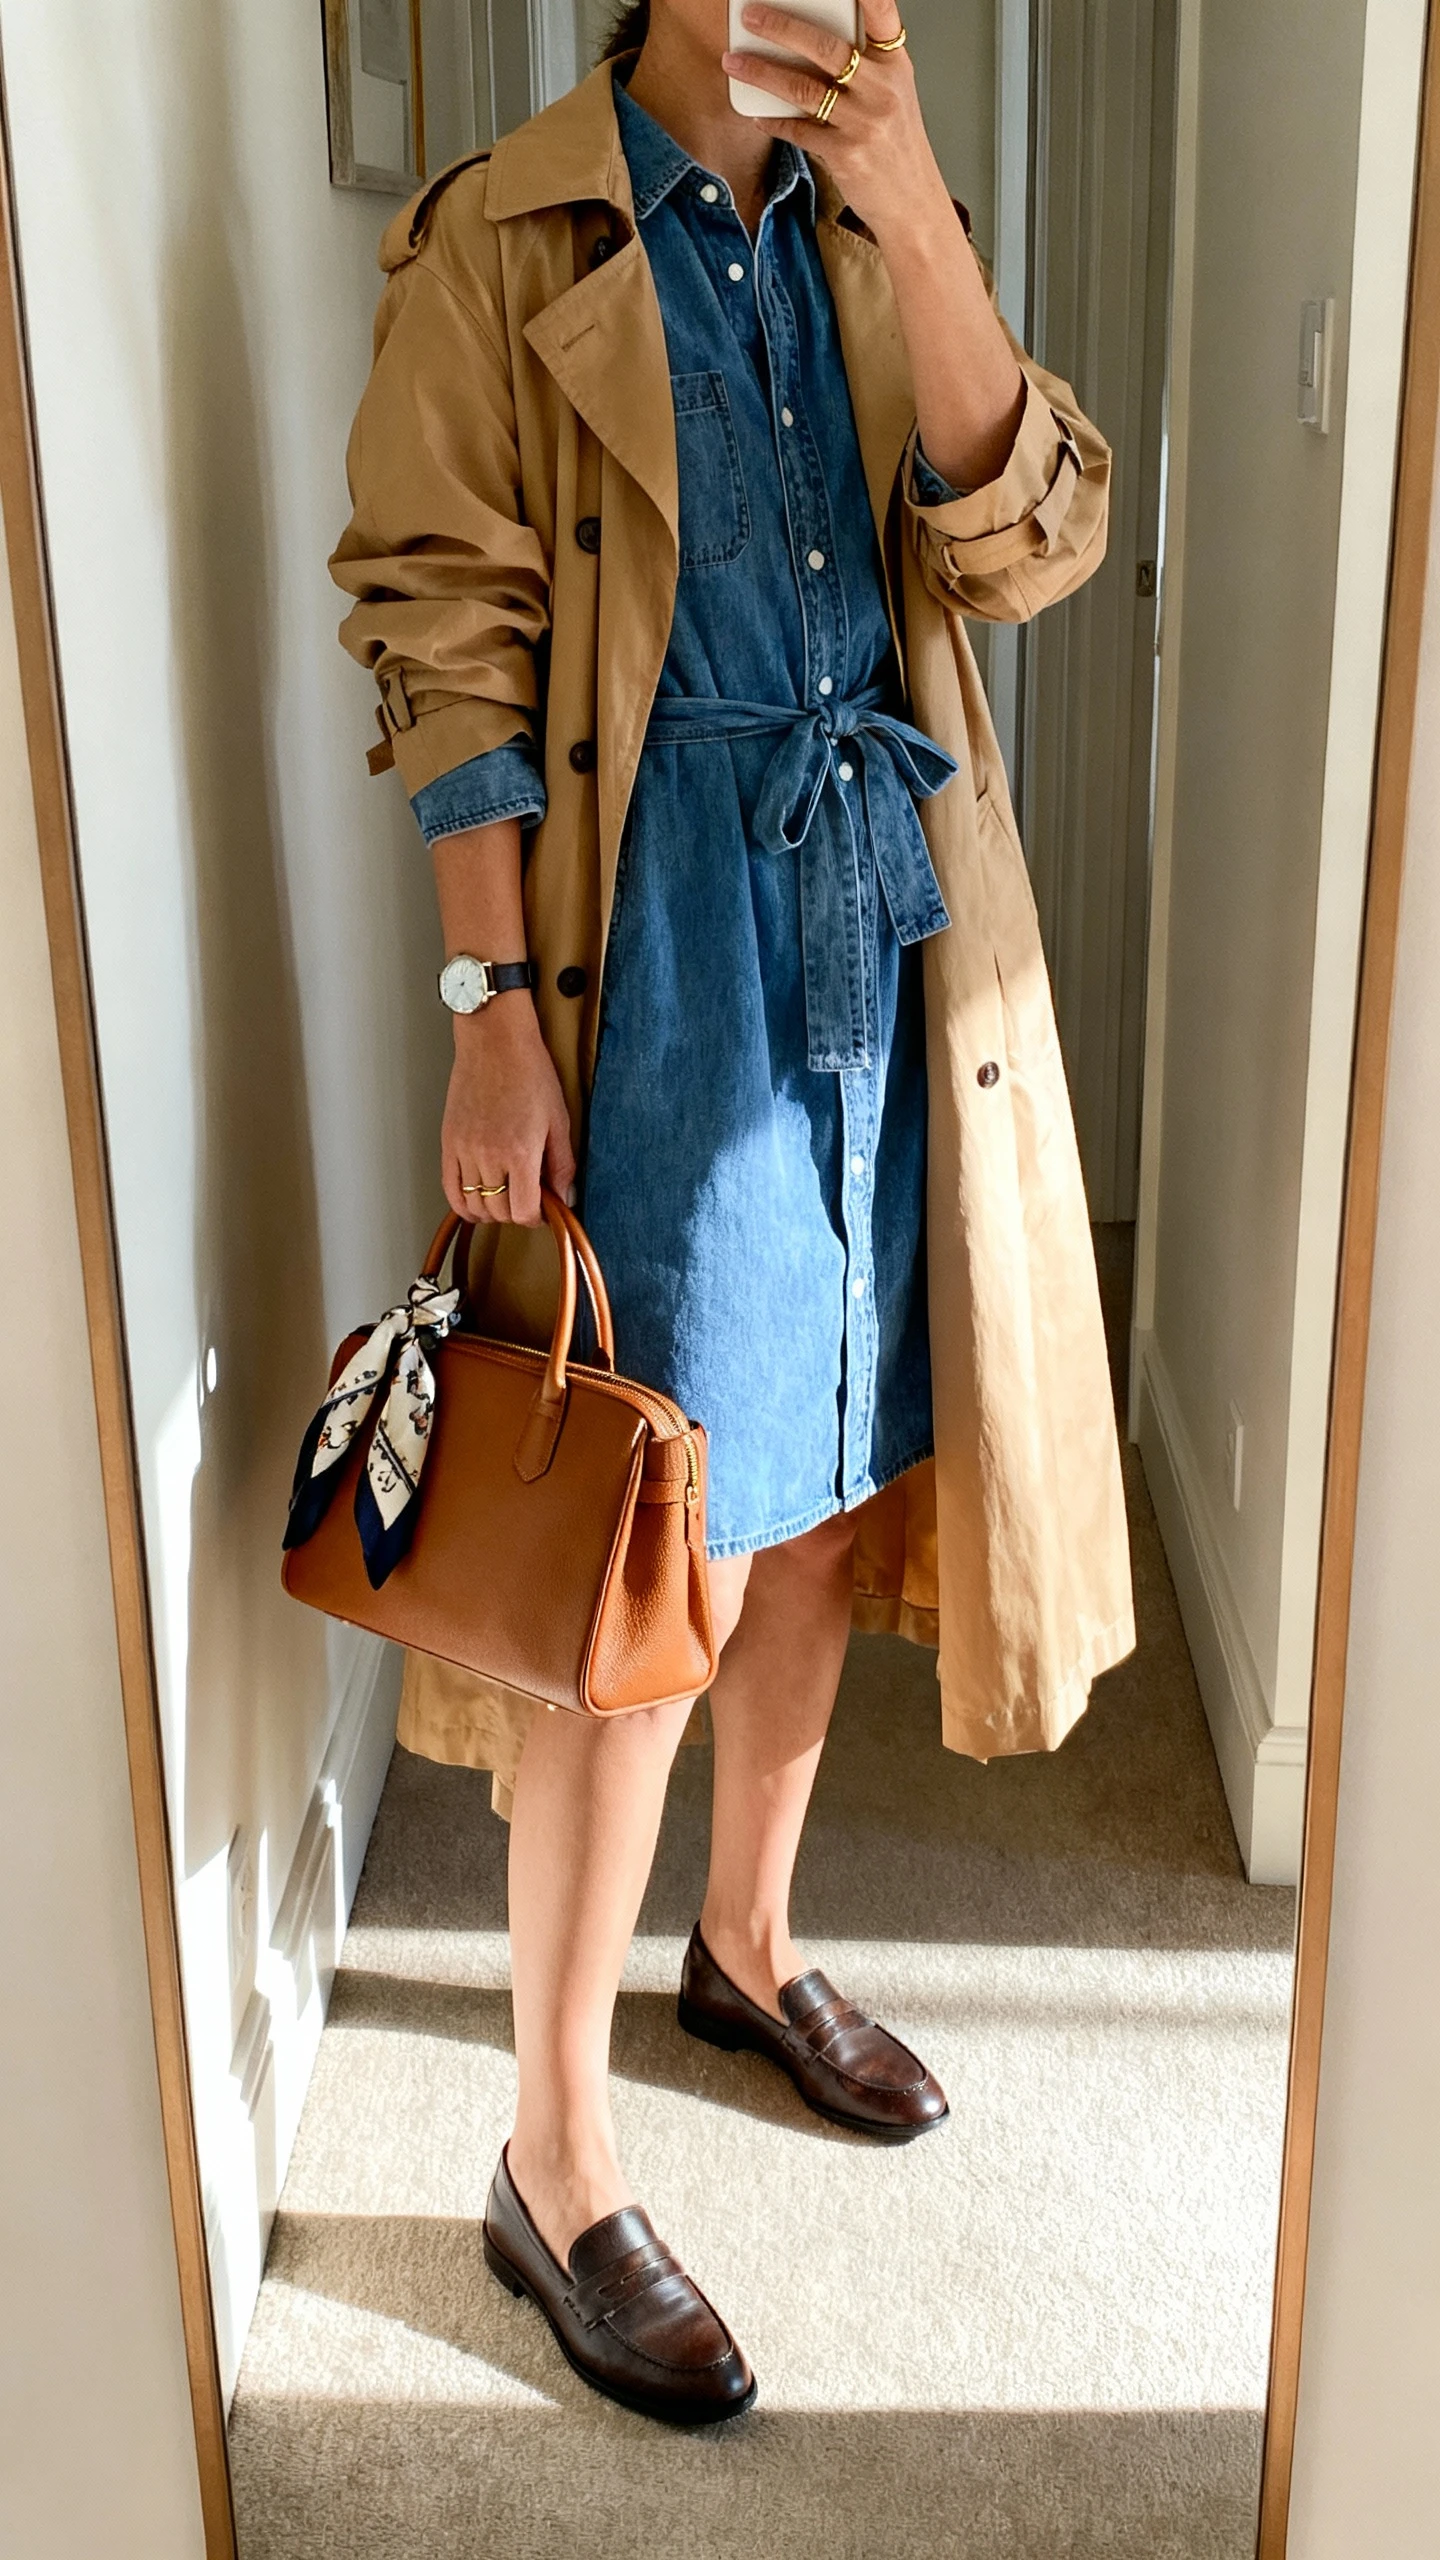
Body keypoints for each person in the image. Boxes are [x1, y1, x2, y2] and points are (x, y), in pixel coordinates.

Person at [331, 0, 1133, 2426]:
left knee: (826, 1479)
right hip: (645, 919)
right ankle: (550, 2152)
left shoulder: (903, 222)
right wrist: (491, 999)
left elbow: (1037, 542)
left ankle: (750, 1938)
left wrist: (908, 210)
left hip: (883, 924)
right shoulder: (504, 231)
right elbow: (444, 624)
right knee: (640, 1543)